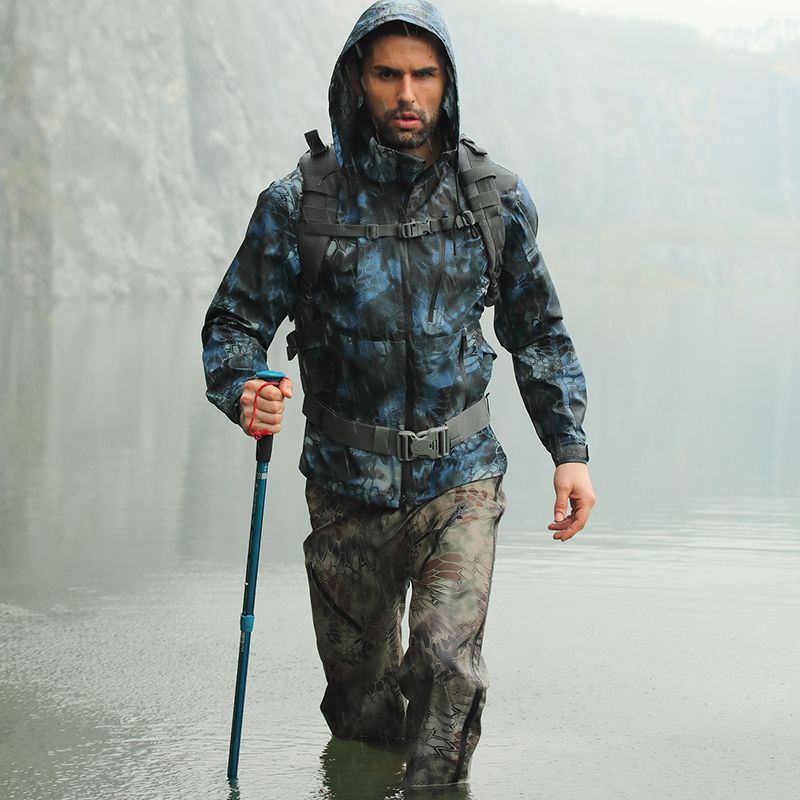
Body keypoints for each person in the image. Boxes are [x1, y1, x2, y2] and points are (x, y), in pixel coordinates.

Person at [202, 0, 595, 789]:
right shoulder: (299, 204)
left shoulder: (492, 200)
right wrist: (246, 389)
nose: (407, 93)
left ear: (448, 84)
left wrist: (570, 451)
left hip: (462, 481)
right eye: (389, 75)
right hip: (346, 491)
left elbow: (539, 331)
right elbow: (234, 326)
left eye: (424, 75)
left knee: (448, 664)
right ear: (358, 79)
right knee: (361, 706)